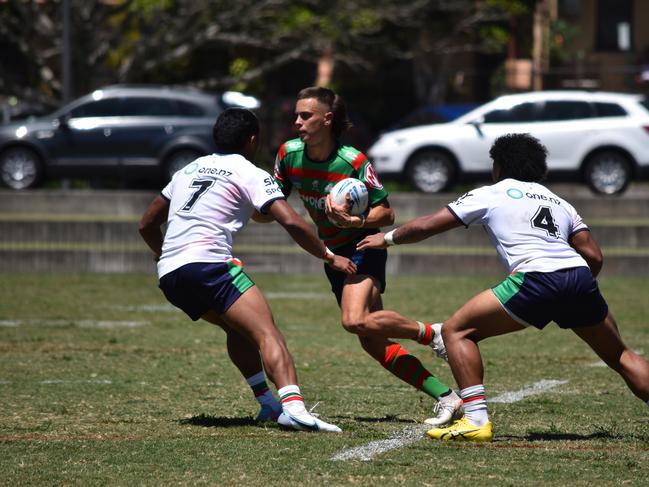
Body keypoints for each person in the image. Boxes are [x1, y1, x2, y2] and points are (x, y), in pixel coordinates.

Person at [358, 133, 649, 442]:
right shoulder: (560, 202)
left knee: (456, 331)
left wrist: (386, 238)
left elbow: (428, 225)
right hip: (578, 277)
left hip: (536, 278)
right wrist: (572, 291)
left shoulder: (491, 193)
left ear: (498, 166)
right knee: (620, 355)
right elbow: (593, 256)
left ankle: (476, 420)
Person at [139, 107, 358, 433]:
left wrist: (165, 255)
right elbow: (290, 221)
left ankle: (268, 405)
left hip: (171, 275)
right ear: (253, 140)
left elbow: (146, 223)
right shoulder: (250, 171)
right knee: (267, 332)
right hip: (210, 266)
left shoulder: (188, 169)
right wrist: (329, 256)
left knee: (237, 329)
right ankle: (294, 408)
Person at [273, 86, 461, 426]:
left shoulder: (353, 161)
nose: (296, 121)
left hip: (361, 247)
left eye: (306, 116)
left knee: (354, 320)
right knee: (373, 343)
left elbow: (386, 213)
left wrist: (355, 220)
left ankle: (432, 334)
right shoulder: (288, 155)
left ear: (327, 120)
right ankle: (447, 397)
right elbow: (272, 205)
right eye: (296, 115)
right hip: (330, 252)